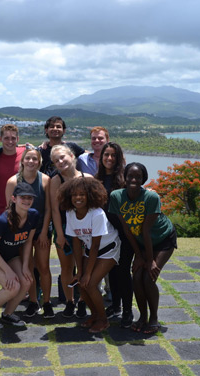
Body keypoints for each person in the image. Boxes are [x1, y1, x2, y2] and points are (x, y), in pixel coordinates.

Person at [108, 162, 177, 334]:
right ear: (124, 177)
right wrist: (138, 256)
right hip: (141, 241)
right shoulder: (116, 196)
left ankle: (153, 318)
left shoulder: (151, 198)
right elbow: (127, 229)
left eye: (138, 177)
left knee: (148, 277)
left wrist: (150, 260)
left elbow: (146, 230)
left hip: (162, 239)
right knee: (136, 276)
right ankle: (142, 317)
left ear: (143, 179)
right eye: (130, 176)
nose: (133, 179)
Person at [59, 177, 120, 333]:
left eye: (82, 194)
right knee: (81, 283)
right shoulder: (70, 213)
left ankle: (103, 320)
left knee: (91, 283)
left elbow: (96, 246)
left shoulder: (97, 214)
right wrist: (80, 272)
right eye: (74, 195)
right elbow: (76, 243)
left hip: (108, 248)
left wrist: (87, 273)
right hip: (90, 249)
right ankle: (95, 315)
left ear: (90, 196)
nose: (77, 198)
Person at [0, 182, 38, 329]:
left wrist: (25, 267)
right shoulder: (2, 221)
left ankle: (7, 314)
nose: (26, 200)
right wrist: (8, 271)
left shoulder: (33, 215)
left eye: (30, 197)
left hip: (11, 256)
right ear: (13, 199)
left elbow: (28, 242)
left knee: (27, 281)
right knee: (13, 286)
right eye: (22, 197)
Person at [5, 147, 53, 318]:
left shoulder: (45, 180)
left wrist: (43, 233)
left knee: (44, 267)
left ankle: (47, 302)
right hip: (21, 231)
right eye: (28, 158)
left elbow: (49, 209)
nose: (31, 162)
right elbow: (9, 210)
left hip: (41, 230)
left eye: (35, 159)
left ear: (39, 162)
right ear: (23, 161)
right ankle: (33, 301)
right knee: (28, 268)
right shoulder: (13, 182)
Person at [49, 145, 93, 318]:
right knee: (66, 267)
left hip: (84, 230)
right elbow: (54, 210)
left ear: (71, 156)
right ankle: (69, 301)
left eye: (62, 157)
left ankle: (82, 300)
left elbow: (94, 207)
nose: (60, 162)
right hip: (65, 229)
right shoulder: (56, 181)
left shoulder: (87, 178)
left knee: (82, 266)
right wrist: (59, 234)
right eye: (56, 160)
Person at [94, 142, 134, 328]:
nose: (109, 158)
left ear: (119, 158)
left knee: (123, 273)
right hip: (107, 235)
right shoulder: (98, 179)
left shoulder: (124, 180)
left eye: (113, 155)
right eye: (106, 155)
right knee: (112, 273)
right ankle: (115, 306)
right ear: (101, 157)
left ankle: (127, 310)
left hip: (124, 234)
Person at [0, 124, 26, 217]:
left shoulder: (25, 154)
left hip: (24, 210)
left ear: (17, 139)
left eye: (13, 138)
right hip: (1, 210)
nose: (10, 141)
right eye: (6, 138)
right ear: (0, 139)